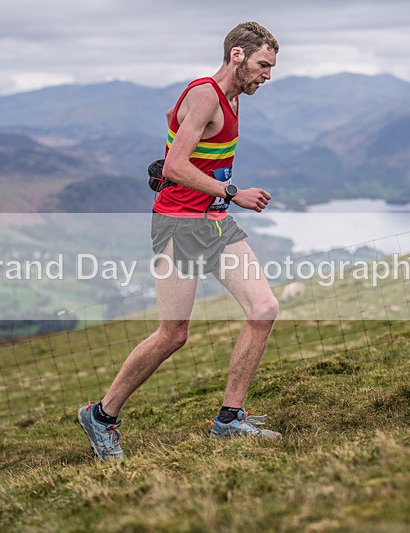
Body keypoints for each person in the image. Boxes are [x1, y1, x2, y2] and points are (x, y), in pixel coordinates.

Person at [78, 21, 281, 461]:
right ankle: (101, 415)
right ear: (237, 55)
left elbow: (180, 134)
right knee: (173, 335)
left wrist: (195, 166)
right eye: (263, 65)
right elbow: (173, 166)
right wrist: (232, 191)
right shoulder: (207, 93)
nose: (267, 75)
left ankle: (229, 419)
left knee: (263, 309)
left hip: (214, 223)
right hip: (178, 226)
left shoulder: (232, 97)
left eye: (271, 67)